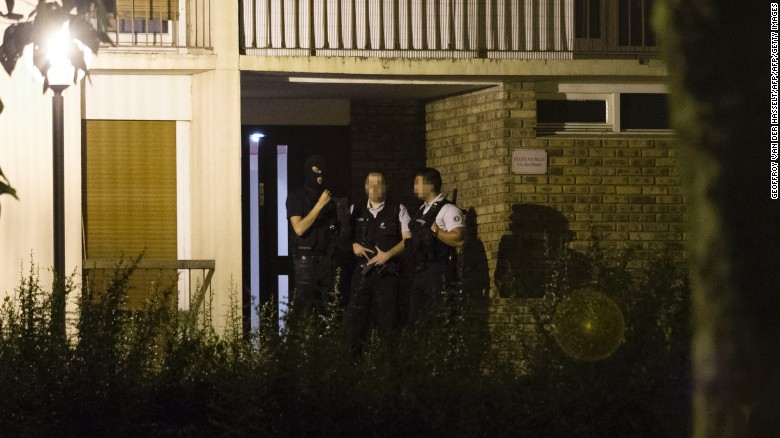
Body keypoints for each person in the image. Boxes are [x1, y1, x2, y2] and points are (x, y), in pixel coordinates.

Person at [345, 172, 411, 354]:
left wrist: (387, 255)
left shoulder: (398, 208)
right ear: (365, 187)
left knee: (387, 321)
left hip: (387, 273)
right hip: (361, 274)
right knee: (355, 320)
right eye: (371, 184)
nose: (375, 188)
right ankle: (353, 366)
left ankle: (386, 368)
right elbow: (343, 238)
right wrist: (353, 246)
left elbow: (408, 239)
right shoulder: (355, 209)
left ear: (386, 186)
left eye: (379, 184)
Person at [407, 167, 465, 323]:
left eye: (417, 184)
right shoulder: (422, 210)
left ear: (430, 186)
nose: (414, 188)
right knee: (417, 320)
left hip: (438, 271)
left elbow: (459, 239)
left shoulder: (448, 209)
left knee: (439, 317)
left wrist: (436, 231)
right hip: (420, 271)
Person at [286, 154, 340, 316]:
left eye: (323, 171)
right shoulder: (296, 197)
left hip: (325, 259)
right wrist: (319, 205)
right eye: (316, 170)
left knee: (326, 308)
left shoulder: (327, 200)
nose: (320, 175)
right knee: (305, 309)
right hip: (305, 260)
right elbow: (299, 229)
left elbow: (334, 230)